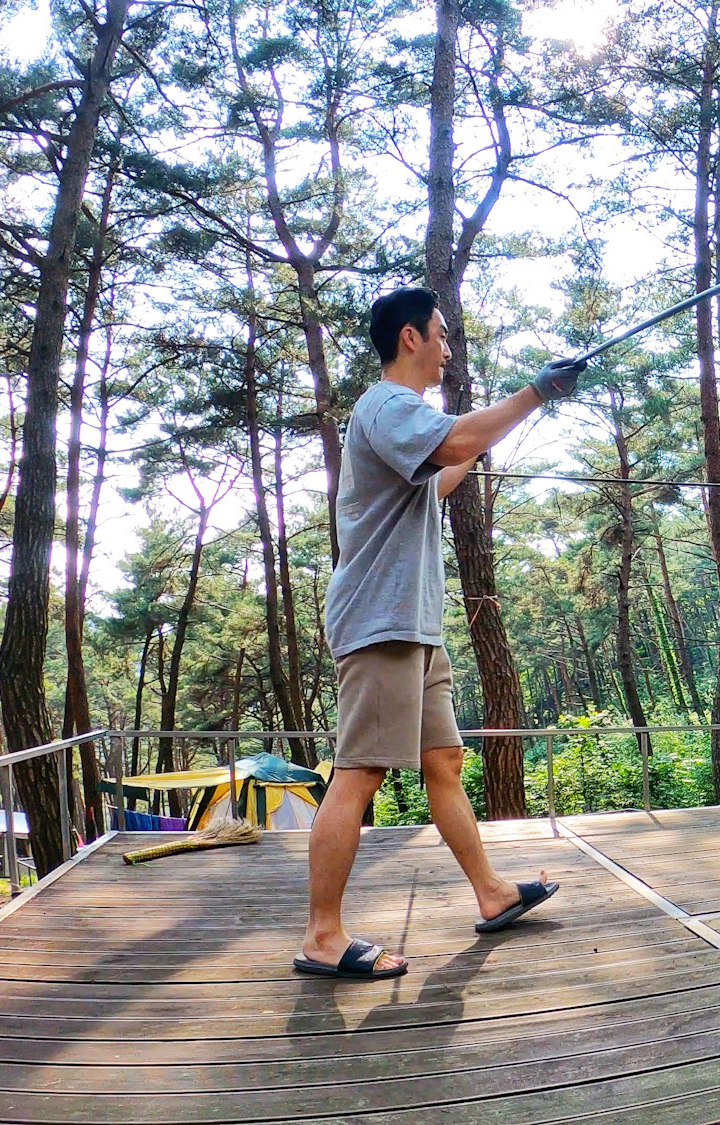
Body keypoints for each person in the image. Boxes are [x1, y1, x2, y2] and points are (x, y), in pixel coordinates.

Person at [296, 287, 584, 980]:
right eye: (441, 335)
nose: (448, 350)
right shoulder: (387, 405)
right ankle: (322, 935)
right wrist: (534, 394)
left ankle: (490, 891)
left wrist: (502, 427)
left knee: (444, 759)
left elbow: (447, 468)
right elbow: (454, 440)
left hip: (414, 625)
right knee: (360, 771)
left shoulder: (401, 421)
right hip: (379, 623)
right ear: (410, 338)